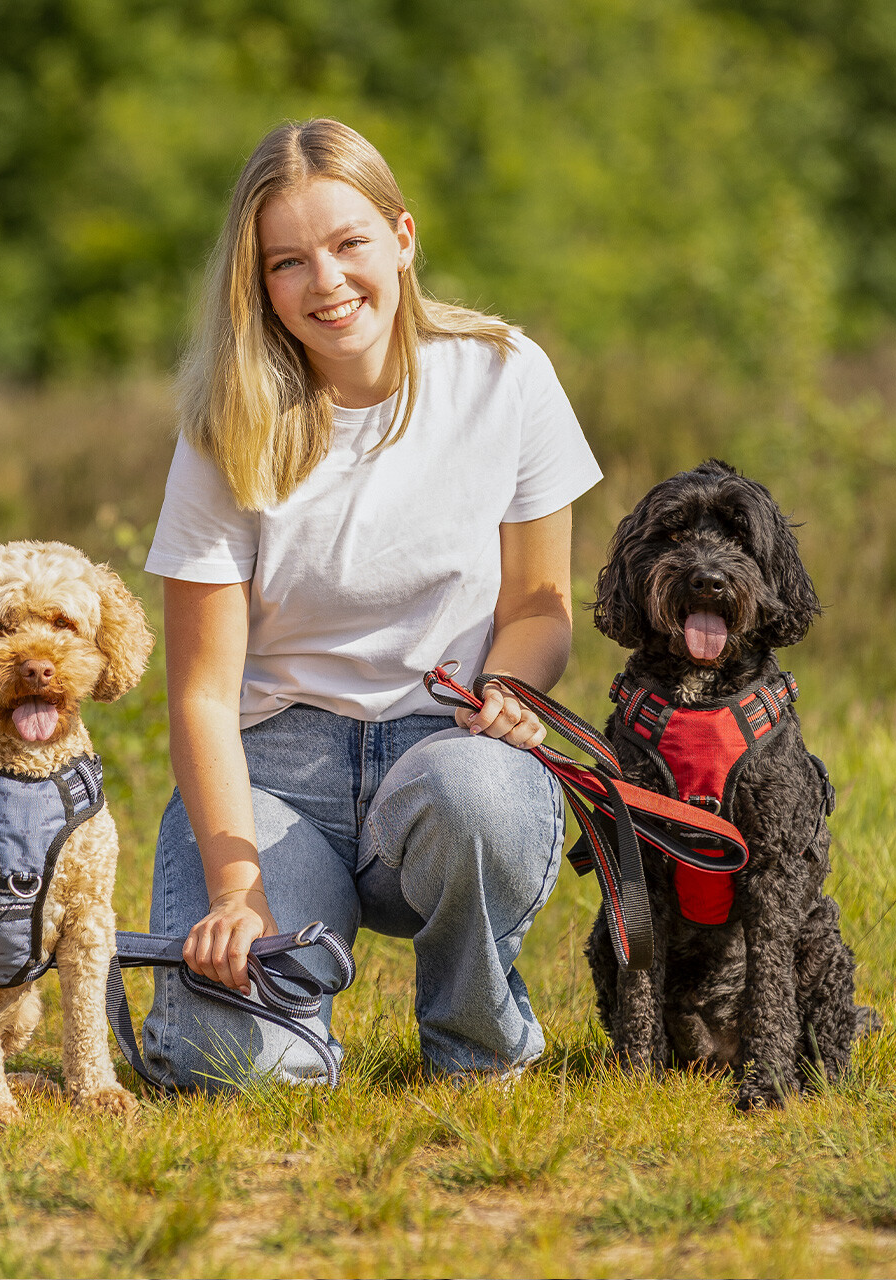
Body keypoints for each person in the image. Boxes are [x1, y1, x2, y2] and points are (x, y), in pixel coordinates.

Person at [140, 118, 601, 1089]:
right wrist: (234, 886)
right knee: (234, 1072)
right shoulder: (226, 423)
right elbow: (200, 698)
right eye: (288, 261)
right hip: (273, 773)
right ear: (257, 283)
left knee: (481, 793)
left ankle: (474, 1041)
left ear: (401, 236)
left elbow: (540, 599)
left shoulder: (504, 374)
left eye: (348, 243)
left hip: (441, 750)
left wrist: (510, 685)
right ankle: (281, 1019)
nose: (325, 282)